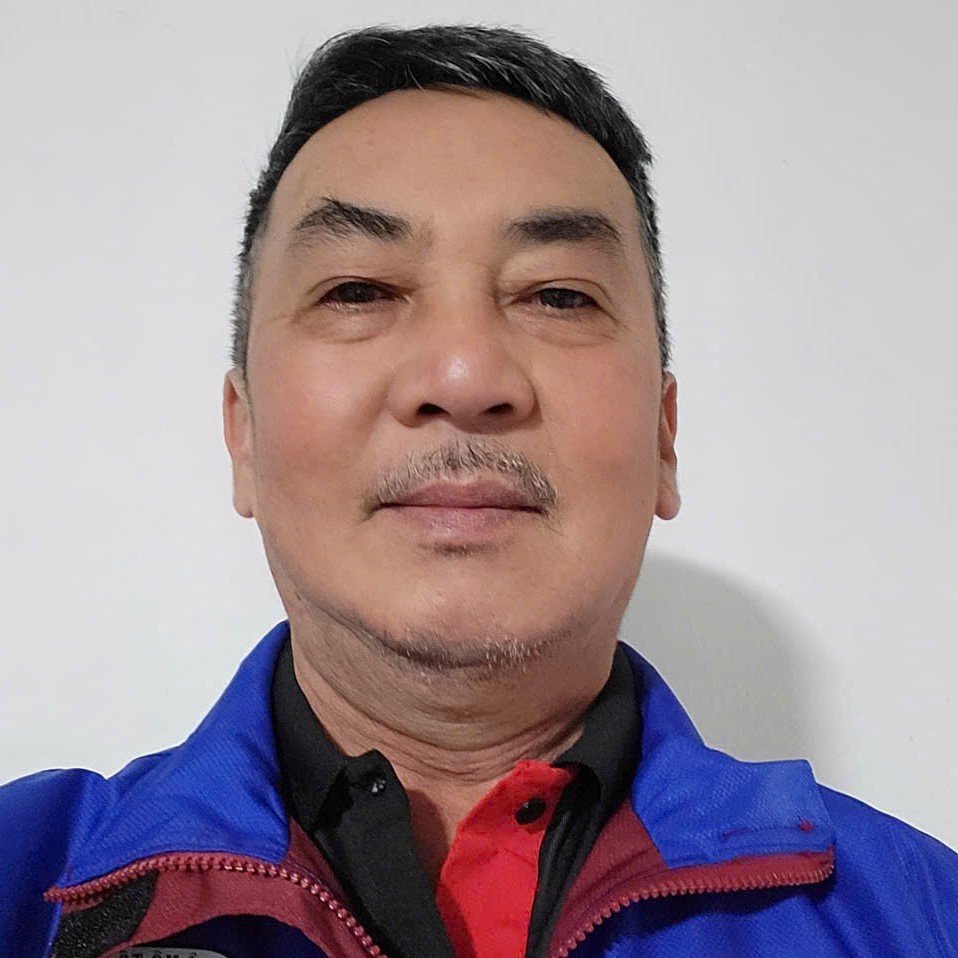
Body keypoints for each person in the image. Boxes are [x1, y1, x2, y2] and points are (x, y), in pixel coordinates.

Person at [1, 22, 955, 958]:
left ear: (664, 437)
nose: (463, 377)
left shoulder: (922, 917)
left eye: (558, 295)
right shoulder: (25, 882)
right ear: (242, 432)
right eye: (359, 291)